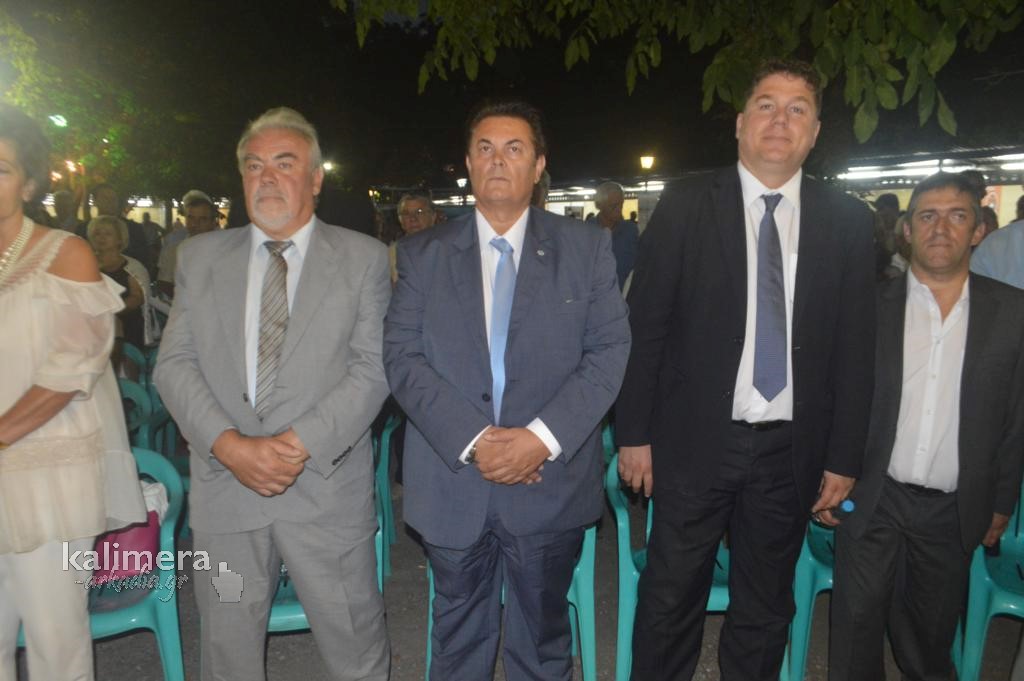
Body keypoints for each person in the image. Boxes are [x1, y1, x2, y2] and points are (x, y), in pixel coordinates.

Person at [615, 59, 876, 681]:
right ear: (740, 123)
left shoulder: (847, 221)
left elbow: (855, 348)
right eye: (766, 105)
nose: (780, 120)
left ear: (815, 132)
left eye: (797, 109)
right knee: (670, 596)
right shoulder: (685, 205)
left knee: (765, 607)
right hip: (691, 443)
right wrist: (633, 434)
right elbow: (645, 328)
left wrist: (844, 457)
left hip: (790, 452)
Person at [384, 99, 631, 681]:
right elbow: (401, 356)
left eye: (514, 148)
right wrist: (477, 441)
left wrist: (539, 440)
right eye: (485, 148)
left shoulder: (585, 248)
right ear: (469, 163)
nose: (498, 160)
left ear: (539, 165)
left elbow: (609, 351)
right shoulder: (421, 255)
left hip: (548, 483)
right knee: (457, 644)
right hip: (452, 481)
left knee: (542, 644)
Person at [154, 107, 391, 681]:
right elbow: (174, 365)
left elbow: (374, 369)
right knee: (227, 654)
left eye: (285, 164)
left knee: (355, 652)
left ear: (315, 179)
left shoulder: (363, 258)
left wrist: (294, 445)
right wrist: (229, 445)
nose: (267, 177)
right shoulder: (199, 259)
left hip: (325, 491)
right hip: (226, 494)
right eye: (254, 165)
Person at [830, 172, 1024, 681]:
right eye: (927, 216)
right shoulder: (869, 306)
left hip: (952, 507)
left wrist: (1000, 503)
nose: (941, 228)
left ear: (979, 230)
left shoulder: (1013, 314)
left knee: (929, 641)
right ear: (907, 230)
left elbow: (1015, 419)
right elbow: (837, 397)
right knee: (854, 630)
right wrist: (830, 475)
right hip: (871, 496)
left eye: (957, 216)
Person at [0, 104, 146, 681]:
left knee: (55, 642)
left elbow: (70, 371)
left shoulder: (65, 254)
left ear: (29, 182)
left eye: (1, 168)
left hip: (48, 473)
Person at [86, 215, 147, 355]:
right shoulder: (85, 263)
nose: (101, 238)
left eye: (108, 234)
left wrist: (110, 311)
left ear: (120, 239)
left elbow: (137, 297)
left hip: (128, 329)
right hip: (91, 328)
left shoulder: (132, 267)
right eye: (97, 233)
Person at [156, 189, 218, 298]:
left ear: (213, 222)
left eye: (203, 219)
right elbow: (164, 284)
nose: (195, 224)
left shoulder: (225, 251)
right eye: (191, 218)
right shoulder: (173, 251)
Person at [588, 181, 639, 290]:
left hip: (623, 294)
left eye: (621, 204)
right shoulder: (586, 230)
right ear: (599, 205)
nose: (619, 209)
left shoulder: (630, 230)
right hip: (595, 295)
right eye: (613, 206)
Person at [392, 192, 437, 283]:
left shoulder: (446, 248)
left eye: (419, 212)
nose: (413, 218)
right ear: (400, 220)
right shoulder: (391, 253)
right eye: (406, 213)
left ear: (433, 217)